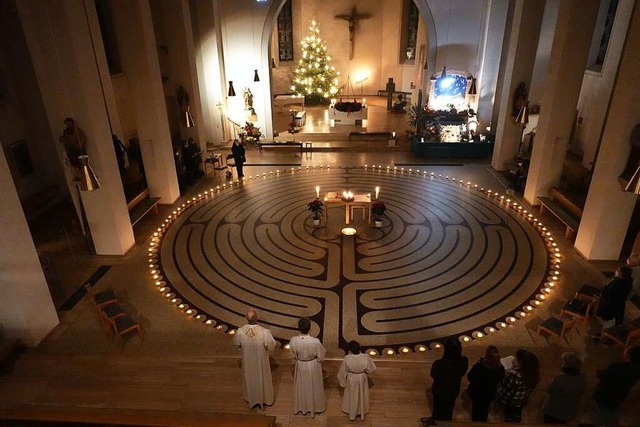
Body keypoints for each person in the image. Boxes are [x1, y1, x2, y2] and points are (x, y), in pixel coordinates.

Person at [234, 309, 277, 410]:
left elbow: (237, 344)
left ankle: (251, 398)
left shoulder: (240, 331)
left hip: (248, 362)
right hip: (261, 362)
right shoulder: (265, 332)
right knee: (262, 378)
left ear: (246, 318)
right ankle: (264, 399)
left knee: (250, 379)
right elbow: (271, 346)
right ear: (257, 318)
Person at [592, 345, 640, 426]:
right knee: (613, 407)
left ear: (628, 355)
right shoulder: (637, 370)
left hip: (607, 393)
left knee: (604, 410)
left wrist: (599, 373)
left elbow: (606, 376)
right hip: (621, 393)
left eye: (626, 350)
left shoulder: (617, 366)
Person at [289, 317, 326, 417]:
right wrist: (317, 360)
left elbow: (292, 356)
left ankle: (303, 407)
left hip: (300, 365)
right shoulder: (315, 341)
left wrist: (295, 362)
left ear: (299, 328)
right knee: (314, 387)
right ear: (309, 328)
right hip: (313, 365)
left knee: (302, 387)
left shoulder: (293, 340)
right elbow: (321, 355)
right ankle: (315, 407)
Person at [430, 337, 468, 420]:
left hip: (439, 391)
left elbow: (433, 375)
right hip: (453, 390)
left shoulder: (439, 363)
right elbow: (462, 372)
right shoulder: (464, 361)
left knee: (437, 412)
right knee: (449, 410)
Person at [542, 352, 586, 424]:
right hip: (567, 412)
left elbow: (550, 390)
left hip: (553, 410)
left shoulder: (561, 377)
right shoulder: (582, 377)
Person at [337, 340, 376, 421]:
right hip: (362, 378)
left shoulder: (347, 358)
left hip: (351, 378)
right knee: (361, 394)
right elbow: (372, 369)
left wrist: (343, 383)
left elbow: (342, 372)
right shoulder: (366, 357)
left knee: (352, 395)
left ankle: (351, 411)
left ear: (350, 349)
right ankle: (361, 410)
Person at [498, 349, 540, 423]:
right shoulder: (534, 374)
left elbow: (506, 387)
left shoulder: (513, 374)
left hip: (509, 401)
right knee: (518, 413)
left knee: (508, 415)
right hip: (522, 400)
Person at [467, 345, 505, 421]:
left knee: (476, 409)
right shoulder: (500, 368)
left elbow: (470, 377)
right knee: (484, 409)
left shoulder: (479, 367)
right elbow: (501, 379)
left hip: (476, 393)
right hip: (489, 394)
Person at [595, 265, 633, 336]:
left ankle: (604, 336)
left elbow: (606, 292)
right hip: (619, 305)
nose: (616, 271)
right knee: (611, 321)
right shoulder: (627, 282)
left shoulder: (617, 285)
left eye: (617, 270)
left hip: (611, 306)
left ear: (620, 274)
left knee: (608, 322)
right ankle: (605, 333)